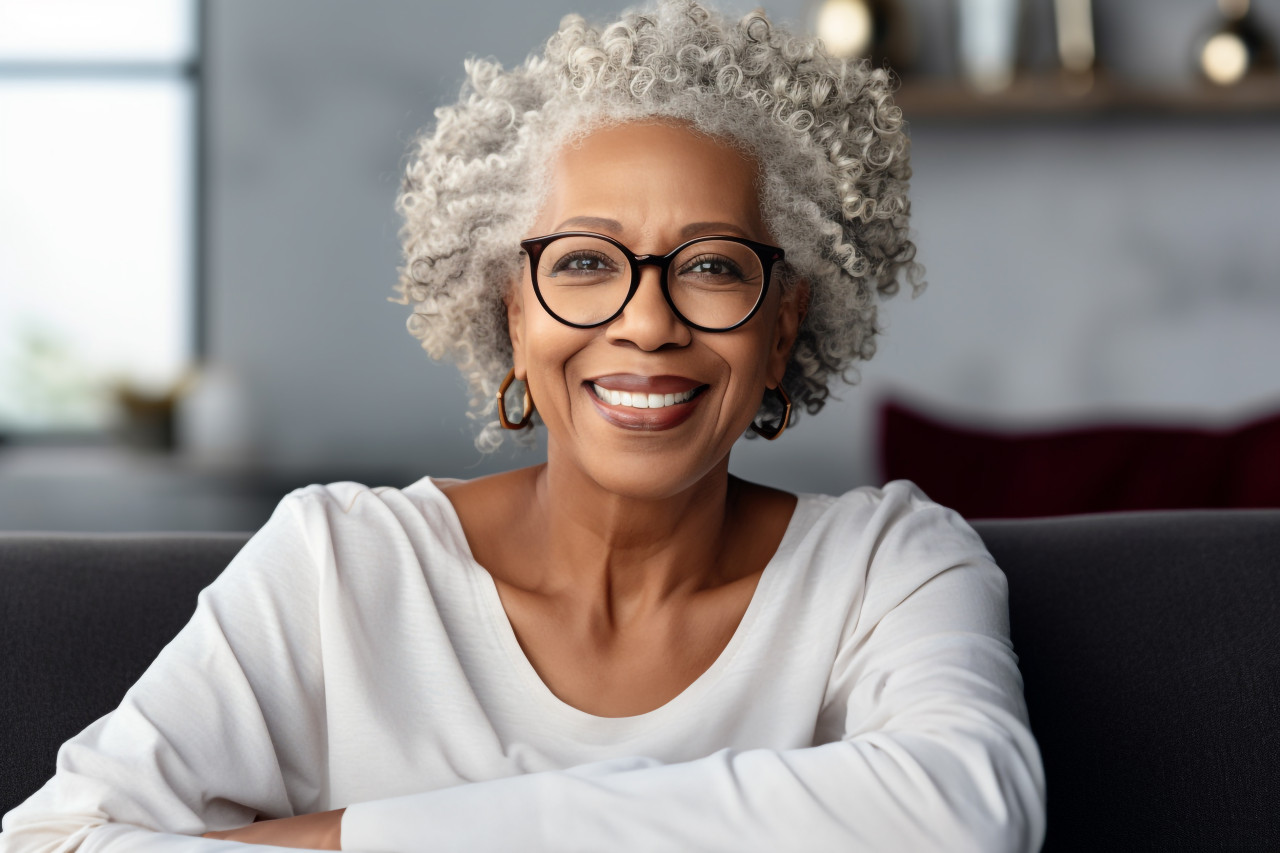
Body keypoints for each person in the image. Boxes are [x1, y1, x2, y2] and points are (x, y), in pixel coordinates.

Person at [0, 1, 1046, 850]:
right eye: (584, 262)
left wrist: (354, 838)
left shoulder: (891, 565)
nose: (646, 320)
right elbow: (55, 841)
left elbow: (966, 810)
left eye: (713, 266)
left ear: (780, 331)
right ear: (513, 312)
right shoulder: (342, 567)